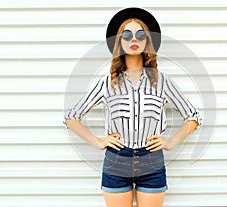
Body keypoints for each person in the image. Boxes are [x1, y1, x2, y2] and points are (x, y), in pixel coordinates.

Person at [63, 7, 202, 207]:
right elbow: (71, 117)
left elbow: (193, 116)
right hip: (116, 162)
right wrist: (99, 142)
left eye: (140, 35)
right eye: (126, 35)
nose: (133, 39)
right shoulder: (107, 83)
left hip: (151, 161)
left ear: (147, 41)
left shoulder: (161, 82)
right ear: (119, 42)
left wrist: (170, 142)